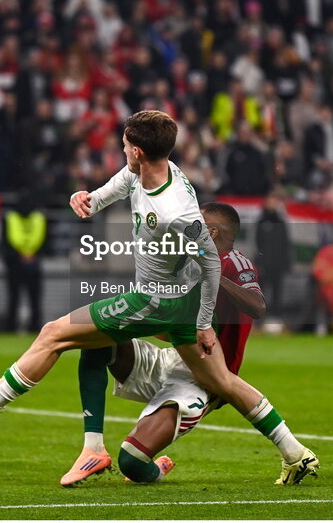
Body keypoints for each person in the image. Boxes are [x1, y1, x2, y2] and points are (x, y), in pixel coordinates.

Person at [0, 111, 319, 485]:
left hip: (156, 301)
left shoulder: (173, 212)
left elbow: (211, 264)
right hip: (179, 301)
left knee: (54, 333)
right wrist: (94, 199)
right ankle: (295, 452)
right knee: (221, 379)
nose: (122, 153)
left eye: (124, 147)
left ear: (136, 151)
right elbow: (125, 181)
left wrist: (204, 324)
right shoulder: (157, 169)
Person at [59, 202, 268, 486]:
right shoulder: (186, 264)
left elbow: (257, 306)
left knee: (131, 461)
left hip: (210, 378)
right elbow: (169, 327)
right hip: (177, 358)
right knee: (99, 338)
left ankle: (155, 470)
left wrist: (215, 276)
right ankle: (92, 448)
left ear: (213, 232)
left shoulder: (235, 262)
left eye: (196, 222)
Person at [2, 193, 46, 333]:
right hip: (29, 261)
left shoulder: (10, 217)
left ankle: (12, 326)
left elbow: (5, 241)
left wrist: (18, 254)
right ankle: (34, 325)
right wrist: (33, 254)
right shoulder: (38, 217)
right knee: (33, 297)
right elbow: (45, 240)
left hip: (16, 262)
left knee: (15, 296)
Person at [255, 192, 291, 326]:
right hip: (264, 265)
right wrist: (260, 262)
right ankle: (259, 320)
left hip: (278, 264)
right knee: (261, 293)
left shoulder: (281, 222)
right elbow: (258, 244)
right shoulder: (261, 221)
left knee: (277, 293)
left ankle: (276, 319)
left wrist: (286, 263)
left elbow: (285, 244)